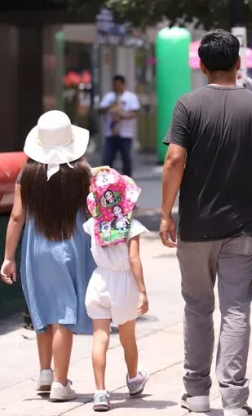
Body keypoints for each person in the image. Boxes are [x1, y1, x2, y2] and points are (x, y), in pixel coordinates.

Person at [160, 29, 252, 416]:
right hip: (244, 226)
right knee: (235, 310)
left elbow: (174, 160)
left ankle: (196, 394)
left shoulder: (187, 105)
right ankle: (234, 399)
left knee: (197, 307)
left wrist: (166, 214)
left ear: (202, 66)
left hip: (196, 225)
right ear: (238, 64)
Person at [0, 110, 94, 402]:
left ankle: (45, 372)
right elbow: (93, 212)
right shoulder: (82, 172)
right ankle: (60, 383)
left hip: (35, 249)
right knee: (65, 313)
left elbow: (17, 217)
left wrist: (8, 257)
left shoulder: (26, 174)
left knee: (42, 307)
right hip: (72, 246)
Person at [83, 167, 150, 411]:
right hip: (123, 285)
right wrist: (142, 290)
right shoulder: (133, 226)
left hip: (99, 281)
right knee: (127, 338)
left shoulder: (93, 224)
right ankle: (134, 380)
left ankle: (100, 392)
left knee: (99, 338)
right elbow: (134, 260)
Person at [99, 75, 141, 177]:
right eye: (114, 85)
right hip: (111, 134)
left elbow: (135, 113)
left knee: (126, 159)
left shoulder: (130, 97)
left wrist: (123, 116)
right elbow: (100, 110)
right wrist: (109, 107)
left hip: (125, 134)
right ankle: (105, 180)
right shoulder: (109, 97)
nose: (116, 87)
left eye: (118, 85)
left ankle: (128, 180)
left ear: (123, 85)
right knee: (107, 159)